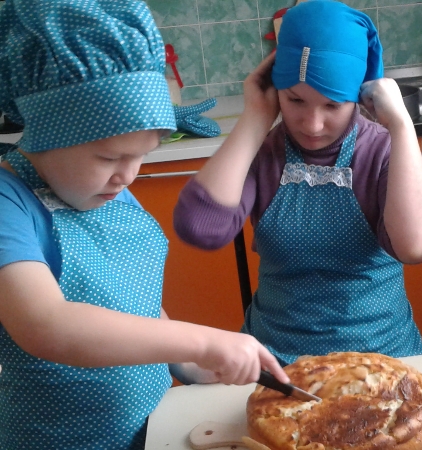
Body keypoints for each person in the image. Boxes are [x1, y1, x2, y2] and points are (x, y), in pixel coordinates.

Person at [0, 2, 288, 449]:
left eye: (142, 155)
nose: (128, 176)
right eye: (110, 157)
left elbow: (134, 305)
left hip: (154, 426)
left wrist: (189, 364)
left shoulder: (105, 186)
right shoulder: (9, 203)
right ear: (48, 132)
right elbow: (47, 324)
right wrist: (200, 341)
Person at [173, 0, 422, 365]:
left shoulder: (384, 152)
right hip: (277, 365)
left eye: (333, 105)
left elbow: (416, 246)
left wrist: (400, 125)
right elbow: (200, 228)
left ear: (359, 95)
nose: (312, 124)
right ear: (276, 89)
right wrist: (255, 118)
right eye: (295, 100)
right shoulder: (264, 153)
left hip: (381, 361)